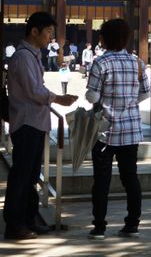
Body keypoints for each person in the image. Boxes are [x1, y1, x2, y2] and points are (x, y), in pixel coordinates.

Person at [3, 12, 77, 241]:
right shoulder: (24, 57)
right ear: (34, 31)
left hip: (34, 121)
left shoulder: (30, 55)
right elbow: (34, 91)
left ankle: (28, 217)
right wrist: (58, 99)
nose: (50, 38)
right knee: (23, 175)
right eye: (48, 32)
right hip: (27, 122)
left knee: (31, 174)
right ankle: (15, 223)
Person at [85, 18, 150, 240]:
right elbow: (146, 92)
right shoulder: (138, 63)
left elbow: (92, 95)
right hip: (130, 128)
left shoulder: (100, 63)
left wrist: (101, 99)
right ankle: (132, 224)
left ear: (104, 38)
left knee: (101, 180)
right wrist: (128, 103)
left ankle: (99, 226)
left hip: (105, 130)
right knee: (130, 177)